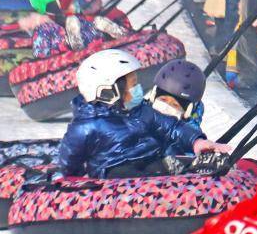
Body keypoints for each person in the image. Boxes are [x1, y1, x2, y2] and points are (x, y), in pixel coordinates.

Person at [57, 50, 229, 179]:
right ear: (108, 92)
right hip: (113, 173)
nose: (138, 89)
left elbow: (171, 126)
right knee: (122, 173)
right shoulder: (85, 127)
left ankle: (190, 169)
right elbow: (69, 161)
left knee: (159, 165)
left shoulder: (141, 110)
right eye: (132, 85)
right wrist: (76, 179)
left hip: (149, 161)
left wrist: (196, 141)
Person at [21, 0, 129, 59]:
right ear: (52, 6)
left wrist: (107, 31)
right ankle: (76, 44)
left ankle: (118, 33)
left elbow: (97, 41)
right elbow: (42, 56)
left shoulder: (83, 20)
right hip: (72, 64)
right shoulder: (44, 30)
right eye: (67, 1)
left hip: (98, 57)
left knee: (95, 23)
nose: (74, 3)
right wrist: (67, 43)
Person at [148, 58, 206, 127]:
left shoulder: (185, 134)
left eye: (175, 105)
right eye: (163, 100)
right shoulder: (142, 115)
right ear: (153, 97)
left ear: (187, 112)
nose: (165, 108)